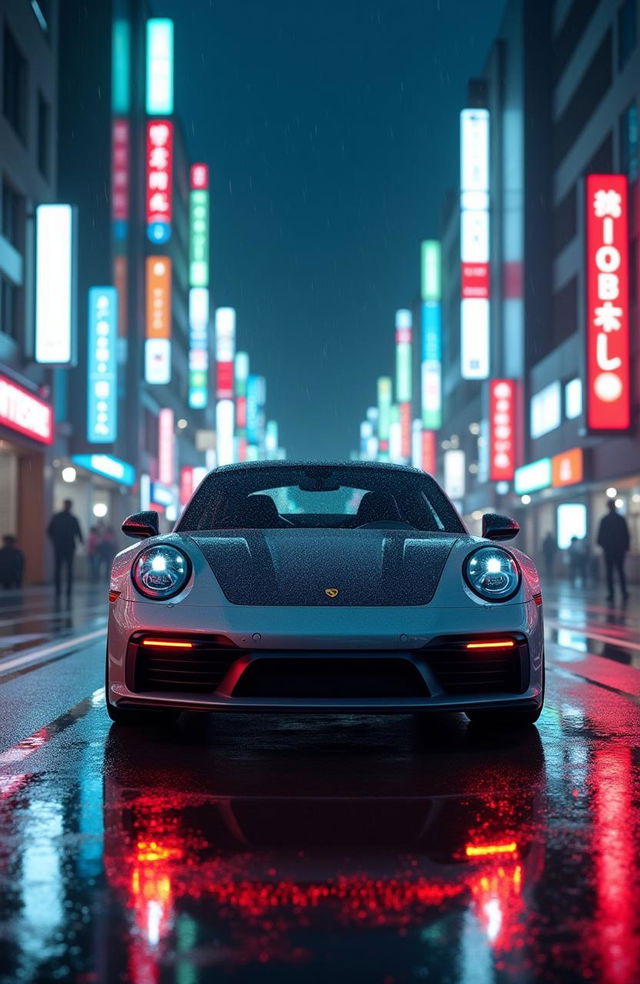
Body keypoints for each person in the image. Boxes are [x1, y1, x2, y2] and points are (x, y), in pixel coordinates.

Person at [47, 500, 84, 599]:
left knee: (64, 569)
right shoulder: (71, 518)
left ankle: (64, 590)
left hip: (63, 546)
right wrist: (81, 541)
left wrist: (54, 541)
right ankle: (62, 590)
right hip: (65, 546)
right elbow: (78, 532)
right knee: (63, 569)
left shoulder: (60, 517)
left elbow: (49, 531)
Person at [597, 500, 630, 602]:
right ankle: (624, 592)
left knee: (610, 572)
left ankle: (611, 593)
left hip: (609, 551)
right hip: (619, 551)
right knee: (620, 571)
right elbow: (626, 535)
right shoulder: (621, 519)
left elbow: (599, 537)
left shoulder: (604, 520)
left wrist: (604, 546)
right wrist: (625, 547)